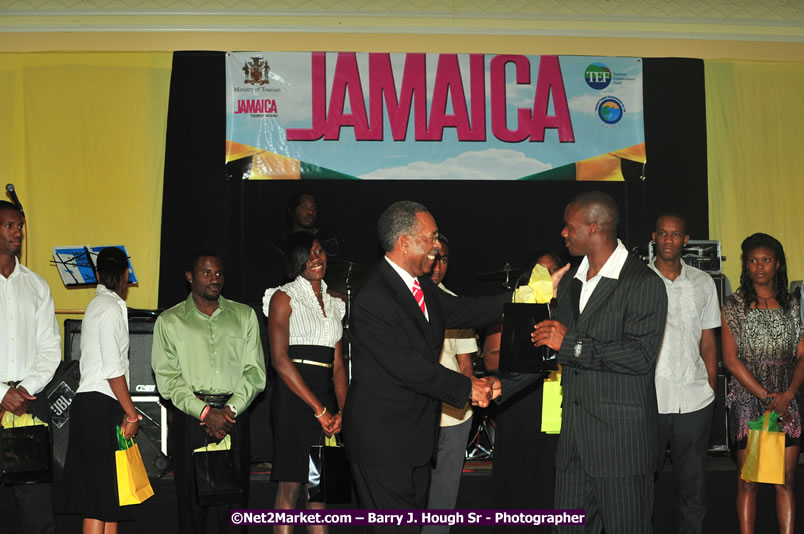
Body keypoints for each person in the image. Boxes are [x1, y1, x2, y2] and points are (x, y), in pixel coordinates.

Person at [496, 190, 668, 533]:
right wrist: (502, 385)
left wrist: (570, 343)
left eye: (568, 226)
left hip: (620, 447)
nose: (563, 233)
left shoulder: (643, 282)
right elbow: (548, 346)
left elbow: (640, 357)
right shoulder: (573, 282)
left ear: (594, 228)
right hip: (573, 444)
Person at [342, 200, 508, 531]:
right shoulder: (373, 296)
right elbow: (406, 366)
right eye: (430, 238)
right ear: (404, 243)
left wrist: (530, 296)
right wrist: (467, 386)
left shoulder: (423, 287)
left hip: (414, 439)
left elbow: (468, 311)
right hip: (382, 443)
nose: (436, 246)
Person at [151, 252, 266, 534]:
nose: (214, 279)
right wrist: (204, 412)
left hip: (233, 419)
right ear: (190, 277)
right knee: (192, 510)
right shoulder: (170, 321)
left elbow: (255, 372)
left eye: (219, 273)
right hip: (192, 420)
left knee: (235, 510)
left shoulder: (244, 316)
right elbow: (168, 378)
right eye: (206, 273)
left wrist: (228, 411)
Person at [263, 232, 348, 534]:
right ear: (296, 260)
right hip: (294, 400)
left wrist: (342, 412)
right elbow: (280, 360)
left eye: (320, 251)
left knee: (318, 495)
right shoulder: (283, 296)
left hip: (326, 399)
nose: (317, 258)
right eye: (309, 253)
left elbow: (338, 365)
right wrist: (320, 410)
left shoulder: (336, 302)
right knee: (290, 490)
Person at [721, 233, 804, 534]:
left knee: (786, 479)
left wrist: (789, 393)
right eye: (753, 260)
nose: (759, 267)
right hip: (748, 401)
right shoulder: (734, 305)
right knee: (749, 480)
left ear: (778, 264)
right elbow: (730, 360)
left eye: (766, 260)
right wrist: (767, 397)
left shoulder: (794, 305)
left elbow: (803, 355)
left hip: (788, 400)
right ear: (745, 264)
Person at [649, 214, 720, 534]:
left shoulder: (703, 283)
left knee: (694, 490)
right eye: (662, 233)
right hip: (649, 399)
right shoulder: (638, 280)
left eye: (675, 234)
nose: (668, 240)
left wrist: (710, 386)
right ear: (654, 237)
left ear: (685, 240)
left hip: (694, 399)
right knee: (640, 487)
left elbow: (708, 338)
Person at [484, 250, 561, 533]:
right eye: (542, 271)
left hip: (554, 402)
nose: (549, 275)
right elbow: (491, 359)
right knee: (519, 475)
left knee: (549, 475)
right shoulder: (513, 308)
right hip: (519, 401)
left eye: (554, 269)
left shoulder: (569, 309)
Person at [64, 246, 139, 533]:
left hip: (96, 405)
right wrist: (132, 414)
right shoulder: (108, 308)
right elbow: (112, 369)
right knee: (99, 500)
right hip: (99, 404)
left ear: (97, 274)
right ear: (126, 275)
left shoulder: (100, 306)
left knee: (109, 499)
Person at [0, 200, 61, 534]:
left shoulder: (36, 285)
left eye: (20, 226)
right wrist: (1, 393)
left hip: (28, 408)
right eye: (9, 225)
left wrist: (23, 390)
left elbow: (51, 348)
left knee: (37, 511)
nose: (17, 231)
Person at [422, 234, 478, 534]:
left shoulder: (455, 303)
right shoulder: (406, 300)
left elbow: (467, 365)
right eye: (432, 255)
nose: (436, 264)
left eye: (442, 258)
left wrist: (470, 396)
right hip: (416, 412)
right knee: (413, 496)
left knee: (443, 500)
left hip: (454, 415)